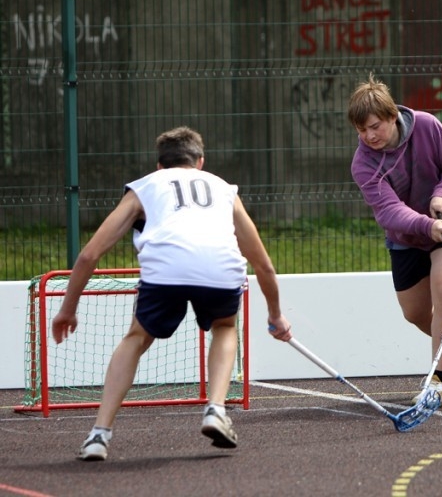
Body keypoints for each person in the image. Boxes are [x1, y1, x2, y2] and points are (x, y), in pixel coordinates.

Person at [51, 126, 292, 461]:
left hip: (166, 268)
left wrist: (68, 309)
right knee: (224, 327)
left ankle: (99, 435)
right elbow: (263, 264)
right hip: (220, 268)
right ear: (200, 162)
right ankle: (216, 409)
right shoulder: (224, 189)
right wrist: (276, 315)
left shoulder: (145, 187)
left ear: (159, 166)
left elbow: (89, 255)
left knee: (136, 338)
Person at [347, 73, 442, 405]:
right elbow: (388, 211)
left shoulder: (427, 126)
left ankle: (437, 380)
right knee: (415, 313)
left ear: (393, 116)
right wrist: (424, 224)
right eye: (361, 130)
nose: (368, 135)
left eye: (375, 126)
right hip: (407, 236)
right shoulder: (362, 163)